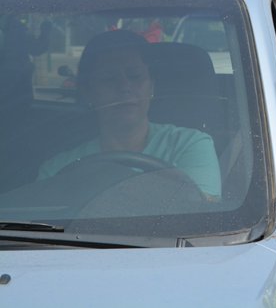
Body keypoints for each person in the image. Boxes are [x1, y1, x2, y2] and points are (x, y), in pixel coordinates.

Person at [37, 29, 221, 200]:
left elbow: (202, 221)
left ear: (152, 86)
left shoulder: (190, 145)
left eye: (135, 76)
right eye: (109, 78)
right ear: (88, 92)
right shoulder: (57, 169)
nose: (125, 87)